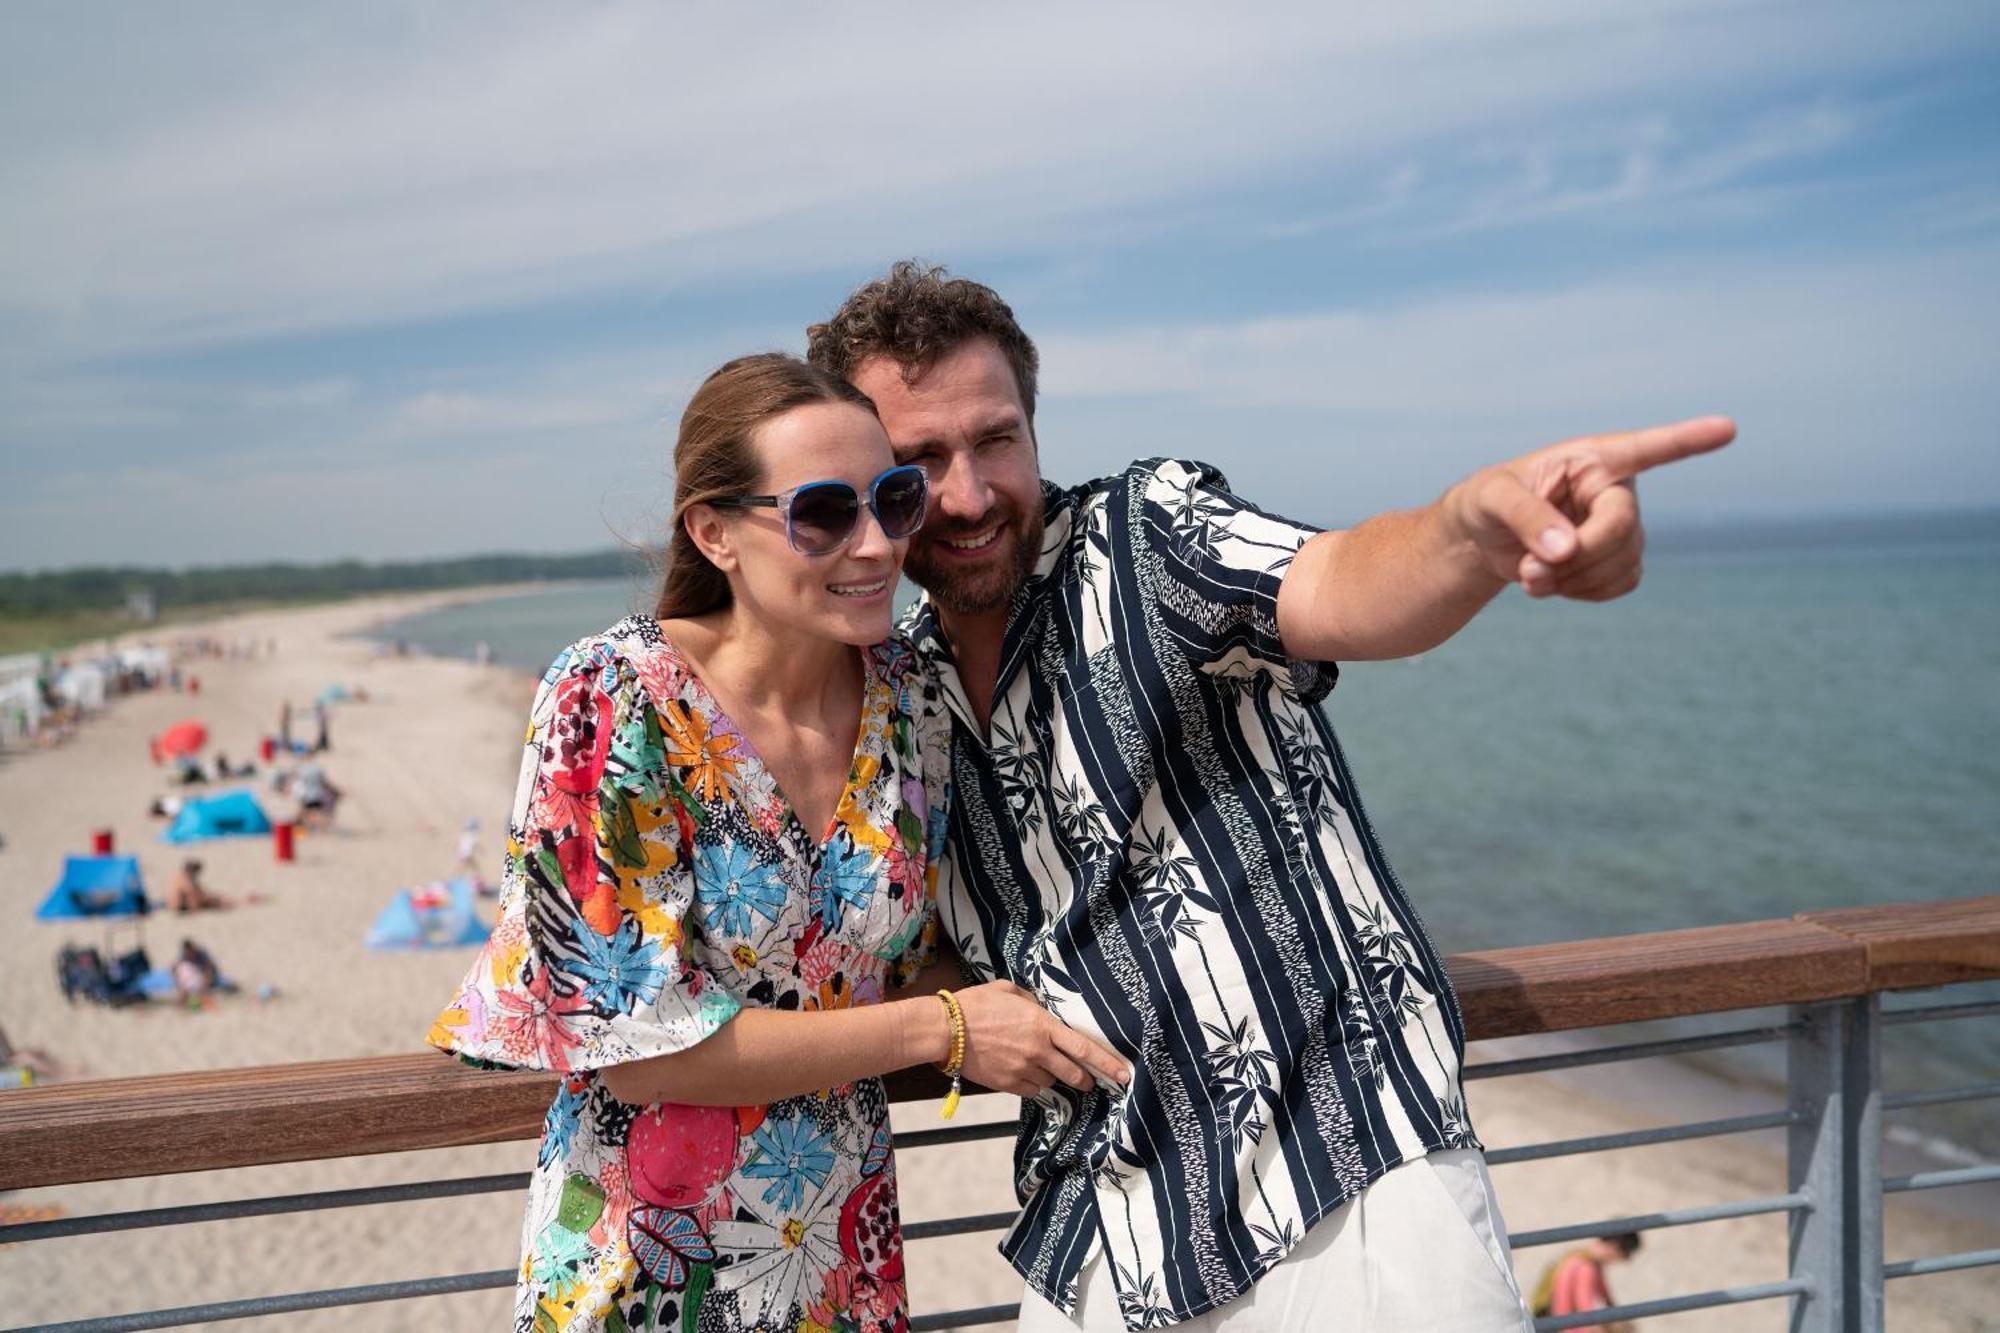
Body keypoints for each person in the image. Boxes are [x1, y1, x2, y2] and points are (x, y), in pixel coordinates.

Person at [807, 262, 1732, 1332]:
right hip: (1105, 1225)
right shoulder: (894, 695)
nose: (968, 493)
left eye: (995, 439)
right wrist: (952, 1022)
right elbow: (901, 941)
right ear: (870, 479)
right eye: (920, 461)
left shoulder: (1145, 539)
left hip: (1346, 1181)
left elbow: (1343, 580)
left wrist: (1473, 534)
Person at [429, 354, 1128, 1333]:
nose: (877, 543)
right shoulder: (611, 700)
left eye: (891, 500)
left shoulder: (909, 700)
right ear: (713, 532)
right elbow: (632, 1046)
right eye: (823, 514)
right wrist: (944, 1031)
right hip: (648, 1274)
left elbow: (908, 944)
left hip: (839, 1260)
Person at [1532, 1233, 1641, 1332]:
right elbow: (1586, 1316)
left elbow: (1608, 1299)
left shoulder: (1583, 1258)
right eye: (1626, 1255)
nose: (1624, 1261)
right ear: (1614, 1246)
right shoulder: (1586, 1268)